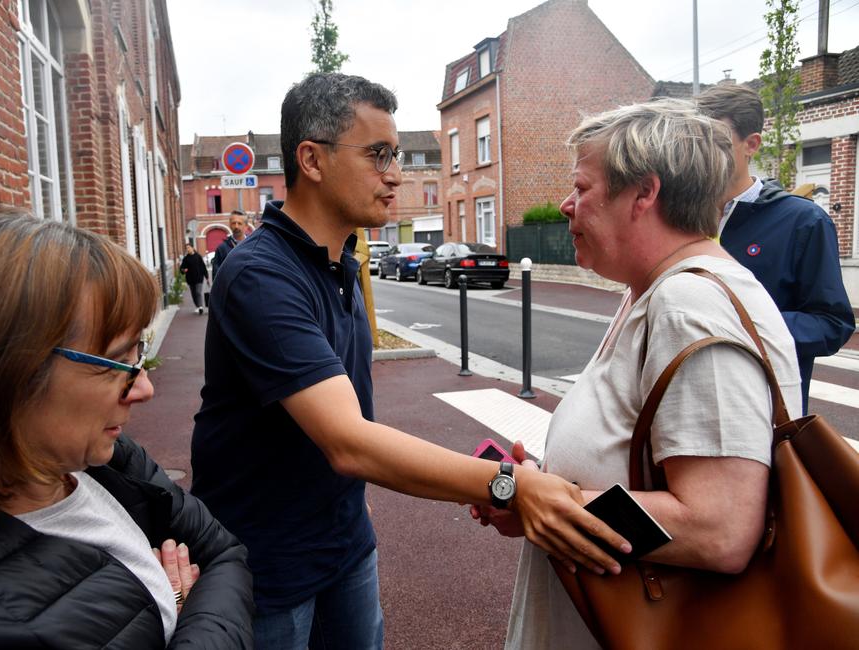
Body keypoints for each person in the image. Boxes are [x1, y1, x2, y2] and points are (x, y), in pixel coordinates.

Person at [190, 72, 630, 650]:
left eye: (395, 155)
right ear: (312, 160)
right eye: (377, 155)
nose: (395, 174)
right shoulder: (261, 275)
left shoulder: (337, 261)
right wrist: (506, 486)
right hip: (267, 562)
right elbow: (350, 441)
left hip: (344, 543)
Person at [471, 100, 803, 649]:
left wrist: (551, 503)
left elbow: (720, 528)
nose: (566, 204)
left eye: (582, 187)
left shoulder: (690, 302)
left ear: (644, 194)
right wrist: (537, 500)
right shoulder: (655, 290)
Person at [0, 212, 254, 648]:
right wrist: (178, 606)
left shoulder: (104, 461)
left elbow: (226, 553)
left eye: (141, 356)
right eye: (116, 363)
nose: (145, 388)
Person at [695, 84, 855, 409]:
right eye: (695, 142)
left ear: (751, 144)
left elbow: (832, 324)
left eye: (716, 142)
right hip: (691, 402)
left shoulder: (804, 222)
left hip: (763, 415)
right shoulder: (681, 217)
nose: (701, 153)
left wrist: (741, 324)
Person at [211, 210, 248, 280]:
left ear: (246, 226)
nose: (236, 226)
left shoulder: (253, 245)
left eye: (239, 223)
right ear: (230, 225)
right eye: (234, 223)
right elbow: (216, 274)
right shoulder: (222, 248)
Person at [180, 243, 210, 314]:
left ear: (193, 248)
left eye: (189, 247)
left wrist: (207, 277)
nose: (188, 249)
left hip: (199, 278)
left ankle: (200, 307)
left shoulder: (198, 256)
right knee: (193, 294)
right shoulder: (186, 259)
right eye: (186, 248)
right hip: (190, 279)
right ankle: (197, 306)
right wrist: (184, 270)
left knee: (198, 292)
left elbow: (203, 267)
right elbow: (181, 268)